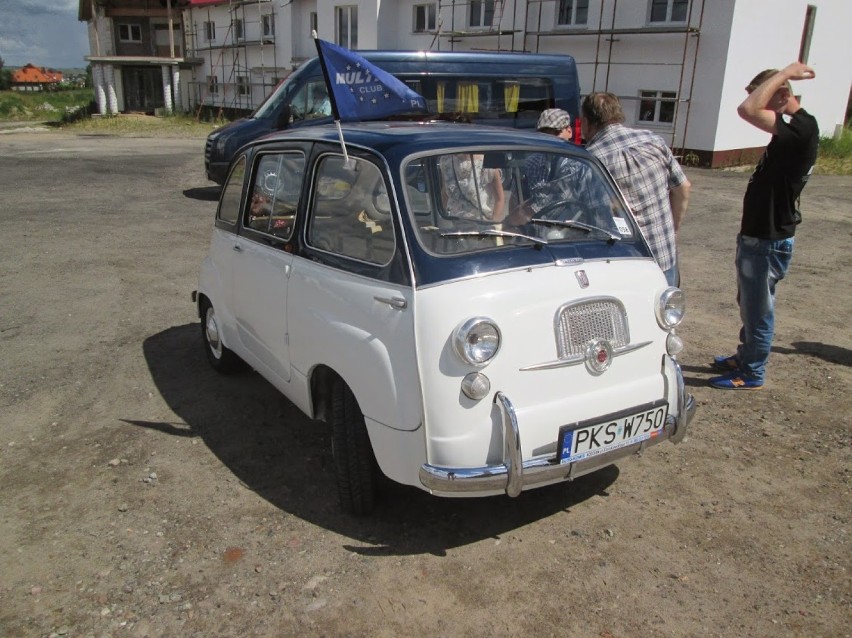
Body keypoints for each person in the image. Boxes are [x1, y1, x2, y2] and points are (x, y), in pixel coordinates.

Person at [709, 62, 818, 390]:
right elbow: (752, 105)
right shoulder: (793, 129)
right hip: (759, 235)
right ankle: (745, 357)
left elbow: (747, 109)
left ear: (783, 94)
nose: (765, 110)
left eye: (770, 99)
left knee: (759, 311)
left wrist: (783, 73)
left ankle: (752, 371)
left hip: (768, 239)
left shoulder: (801, 129)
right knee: (750, 304)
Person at [580, 92, 691, 287]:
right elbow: (682, 188)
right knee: (664, 314)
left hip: (622, 265)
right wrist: (673, 229)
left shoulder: (590, 160)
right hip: (663, 255)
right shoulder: (653, 140)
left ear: (587, 122)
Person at [439, 152, 505, 223]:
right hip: (455, 226)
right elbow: (445, 191)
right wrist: (441, 219)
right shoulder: (446, 161)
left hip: (481, 226)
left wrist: (493, 224)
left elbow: (499, 199)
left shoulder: (488, 162)